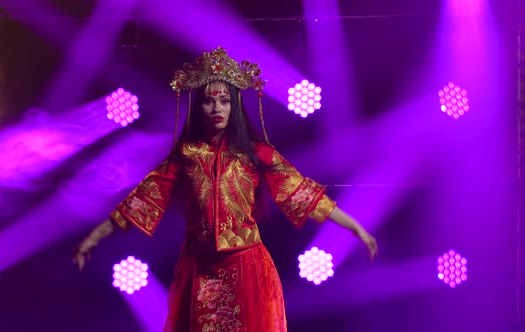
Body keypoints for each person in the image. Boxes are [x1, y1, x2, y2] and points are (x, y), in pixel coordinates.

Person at [73, 47, 378, 331]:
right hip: (199, 266)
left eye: (224, 100)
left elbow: (301, 194)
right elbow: (145, 197)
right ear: (200, 106)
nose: (216, 108)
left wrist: (354, 228)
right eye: (209, 100)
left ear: (234, 105)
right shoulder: (186, 155)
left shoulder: (259, 154)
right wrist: (95, 236)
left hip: (246, 265)